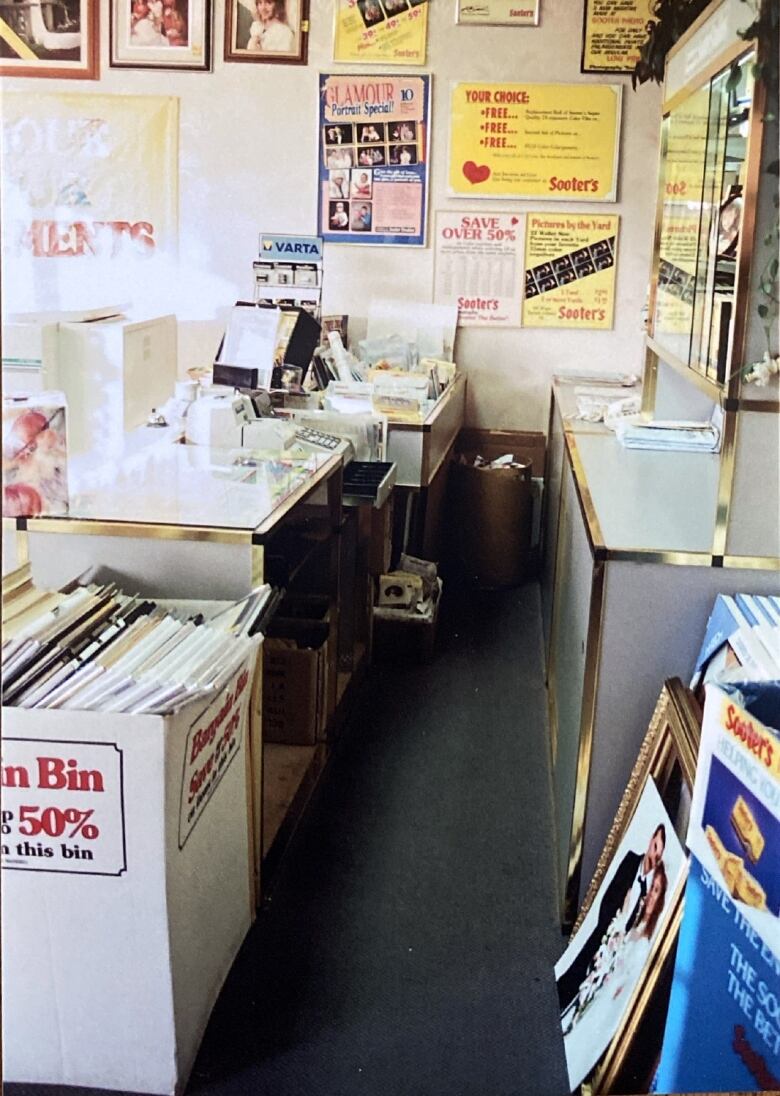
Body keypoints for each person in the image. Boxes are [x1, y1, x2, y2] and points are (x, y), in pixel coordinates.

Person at [556, 823, 666, 1016]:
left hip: (617, 948)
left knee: (594, 990)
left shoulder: (649, 892)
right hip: (605, 930)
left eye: (659, 854)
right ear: (650, 841)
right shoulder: (632, 860)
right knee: (580, 968)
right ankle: (559, 998)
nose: (654, 856)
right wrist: (609, 927)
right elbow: (610, 894)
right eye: (655, 847)